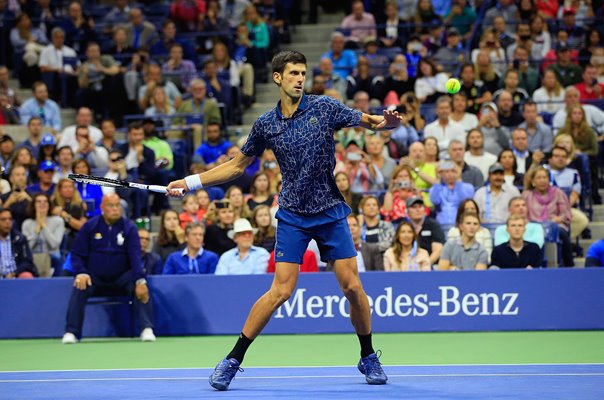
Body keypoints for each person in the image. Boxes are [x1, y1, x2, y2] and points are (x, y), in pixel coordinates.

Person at [166, 51, 398, 388]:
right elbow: (236, 166)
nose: (300, 78)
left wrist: (386, 122)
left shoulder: (324, 107)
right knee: (280, 291)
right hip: (292, 214)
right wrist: (190, 182)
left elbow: (371, 121)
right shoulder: (266, 125)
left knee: (352, 286)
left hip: (331, 211)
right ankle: (233, 359)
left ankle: (367, 356)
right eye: (293, 73)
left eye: (303, 72)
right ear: (278, 77)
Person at [61, 194, 155, 344]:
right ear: (102, 208)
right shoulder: (89, 227)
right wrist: (81, 272)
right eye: (111, 205)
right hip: (94, 278)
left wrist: (139, 279)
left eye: (118, 205)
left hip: (122, 278)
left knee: (142, 284)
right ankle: (71, 332)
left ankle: (146, 329)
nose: (115, 209)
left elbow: (135, 257)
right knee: (79, 286)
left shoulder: (129, 228)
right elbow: (77, 255)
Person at [522, 166, 573, 267]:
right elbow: (523, 215)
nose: (542, 180)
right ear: (533, 181)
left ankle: (569, 265)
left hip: (554, 225)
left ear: (549, 179)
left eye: (545, 177)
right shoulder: (527, 195)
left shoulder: (558, 193)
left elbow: (566, 214)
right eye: (539, 178)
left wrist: (558, 219)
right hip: (533, 227)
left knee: (561, 232)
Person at [21, 193, 64, 276]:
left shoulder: (58, 221)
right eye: (39, 201)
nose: (42, 203)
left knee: (58, 259)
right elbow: (27, 248)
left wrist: (44, 226)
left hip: (53, 258)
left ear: (49, 205)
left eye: (45, 201)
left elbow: (54, 245)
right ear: (33, 205)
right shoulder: (27, 223)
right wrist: (37, 230)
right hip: (32, 258)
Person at [429, 160, 475, 225]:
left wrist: (459, 181)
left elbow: (465, 202)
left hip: (461, 224)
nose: (450, 174)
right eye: (447, 171)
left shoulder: (468, 187)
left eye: (453, 171)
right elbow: (435, 201)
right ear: (441, 173)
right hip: (441, 224)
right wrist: (438, 179)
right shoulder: (436, 188)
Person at [406, 196, 445, 266]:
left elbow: (438, 250)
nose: (418, 210)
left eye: (420, 206)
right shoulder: (405, 227)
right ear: (407, 211)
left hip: (431, 264)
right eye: (414, 207)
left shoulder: (433, 225)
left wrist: (426, 265)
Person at [51, 178, 88, 250]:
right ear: (59, 190)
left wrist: (64, 215)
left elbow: (82, 226)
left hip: (74, 237)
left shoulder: (80, 204)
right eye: (65, 187)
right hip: (56, 238)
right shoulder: (52, 203)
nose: (68, 189)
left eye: (70, 187)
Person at [0, 208, 37, 279]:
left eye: (10, 219)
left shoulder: (20, 238)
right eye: (3, 219)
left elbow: (27, 262)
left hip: (16, 276)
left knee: (27, 276)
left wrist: (14, 273)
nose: (7, 222)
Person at [0, 165, 32, 229]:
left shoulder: (33, 196)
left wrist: (29, 200)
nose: (21, 177)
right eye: (18, 175)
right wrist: (7, 204)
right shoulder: (3, 197)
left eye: (23, 174)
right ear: (11, 178)